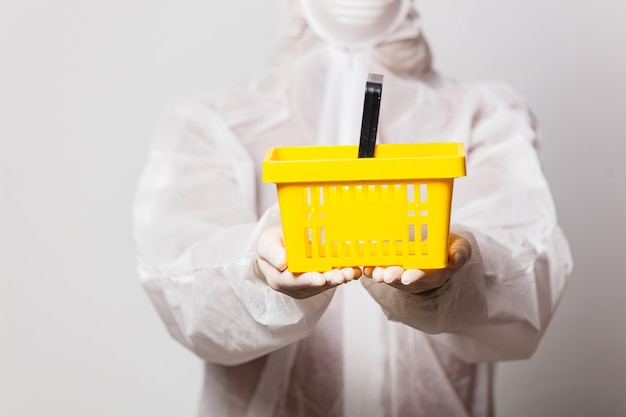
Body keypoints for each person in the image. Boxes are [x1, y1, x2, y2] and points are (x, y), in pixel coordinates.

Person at [133, 0, 573, 416]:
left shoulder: (485, 118)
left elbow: (526, 280)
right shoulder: (211, 125)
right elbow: (183, 288)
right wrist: (255, 274)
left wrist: (458, 274)